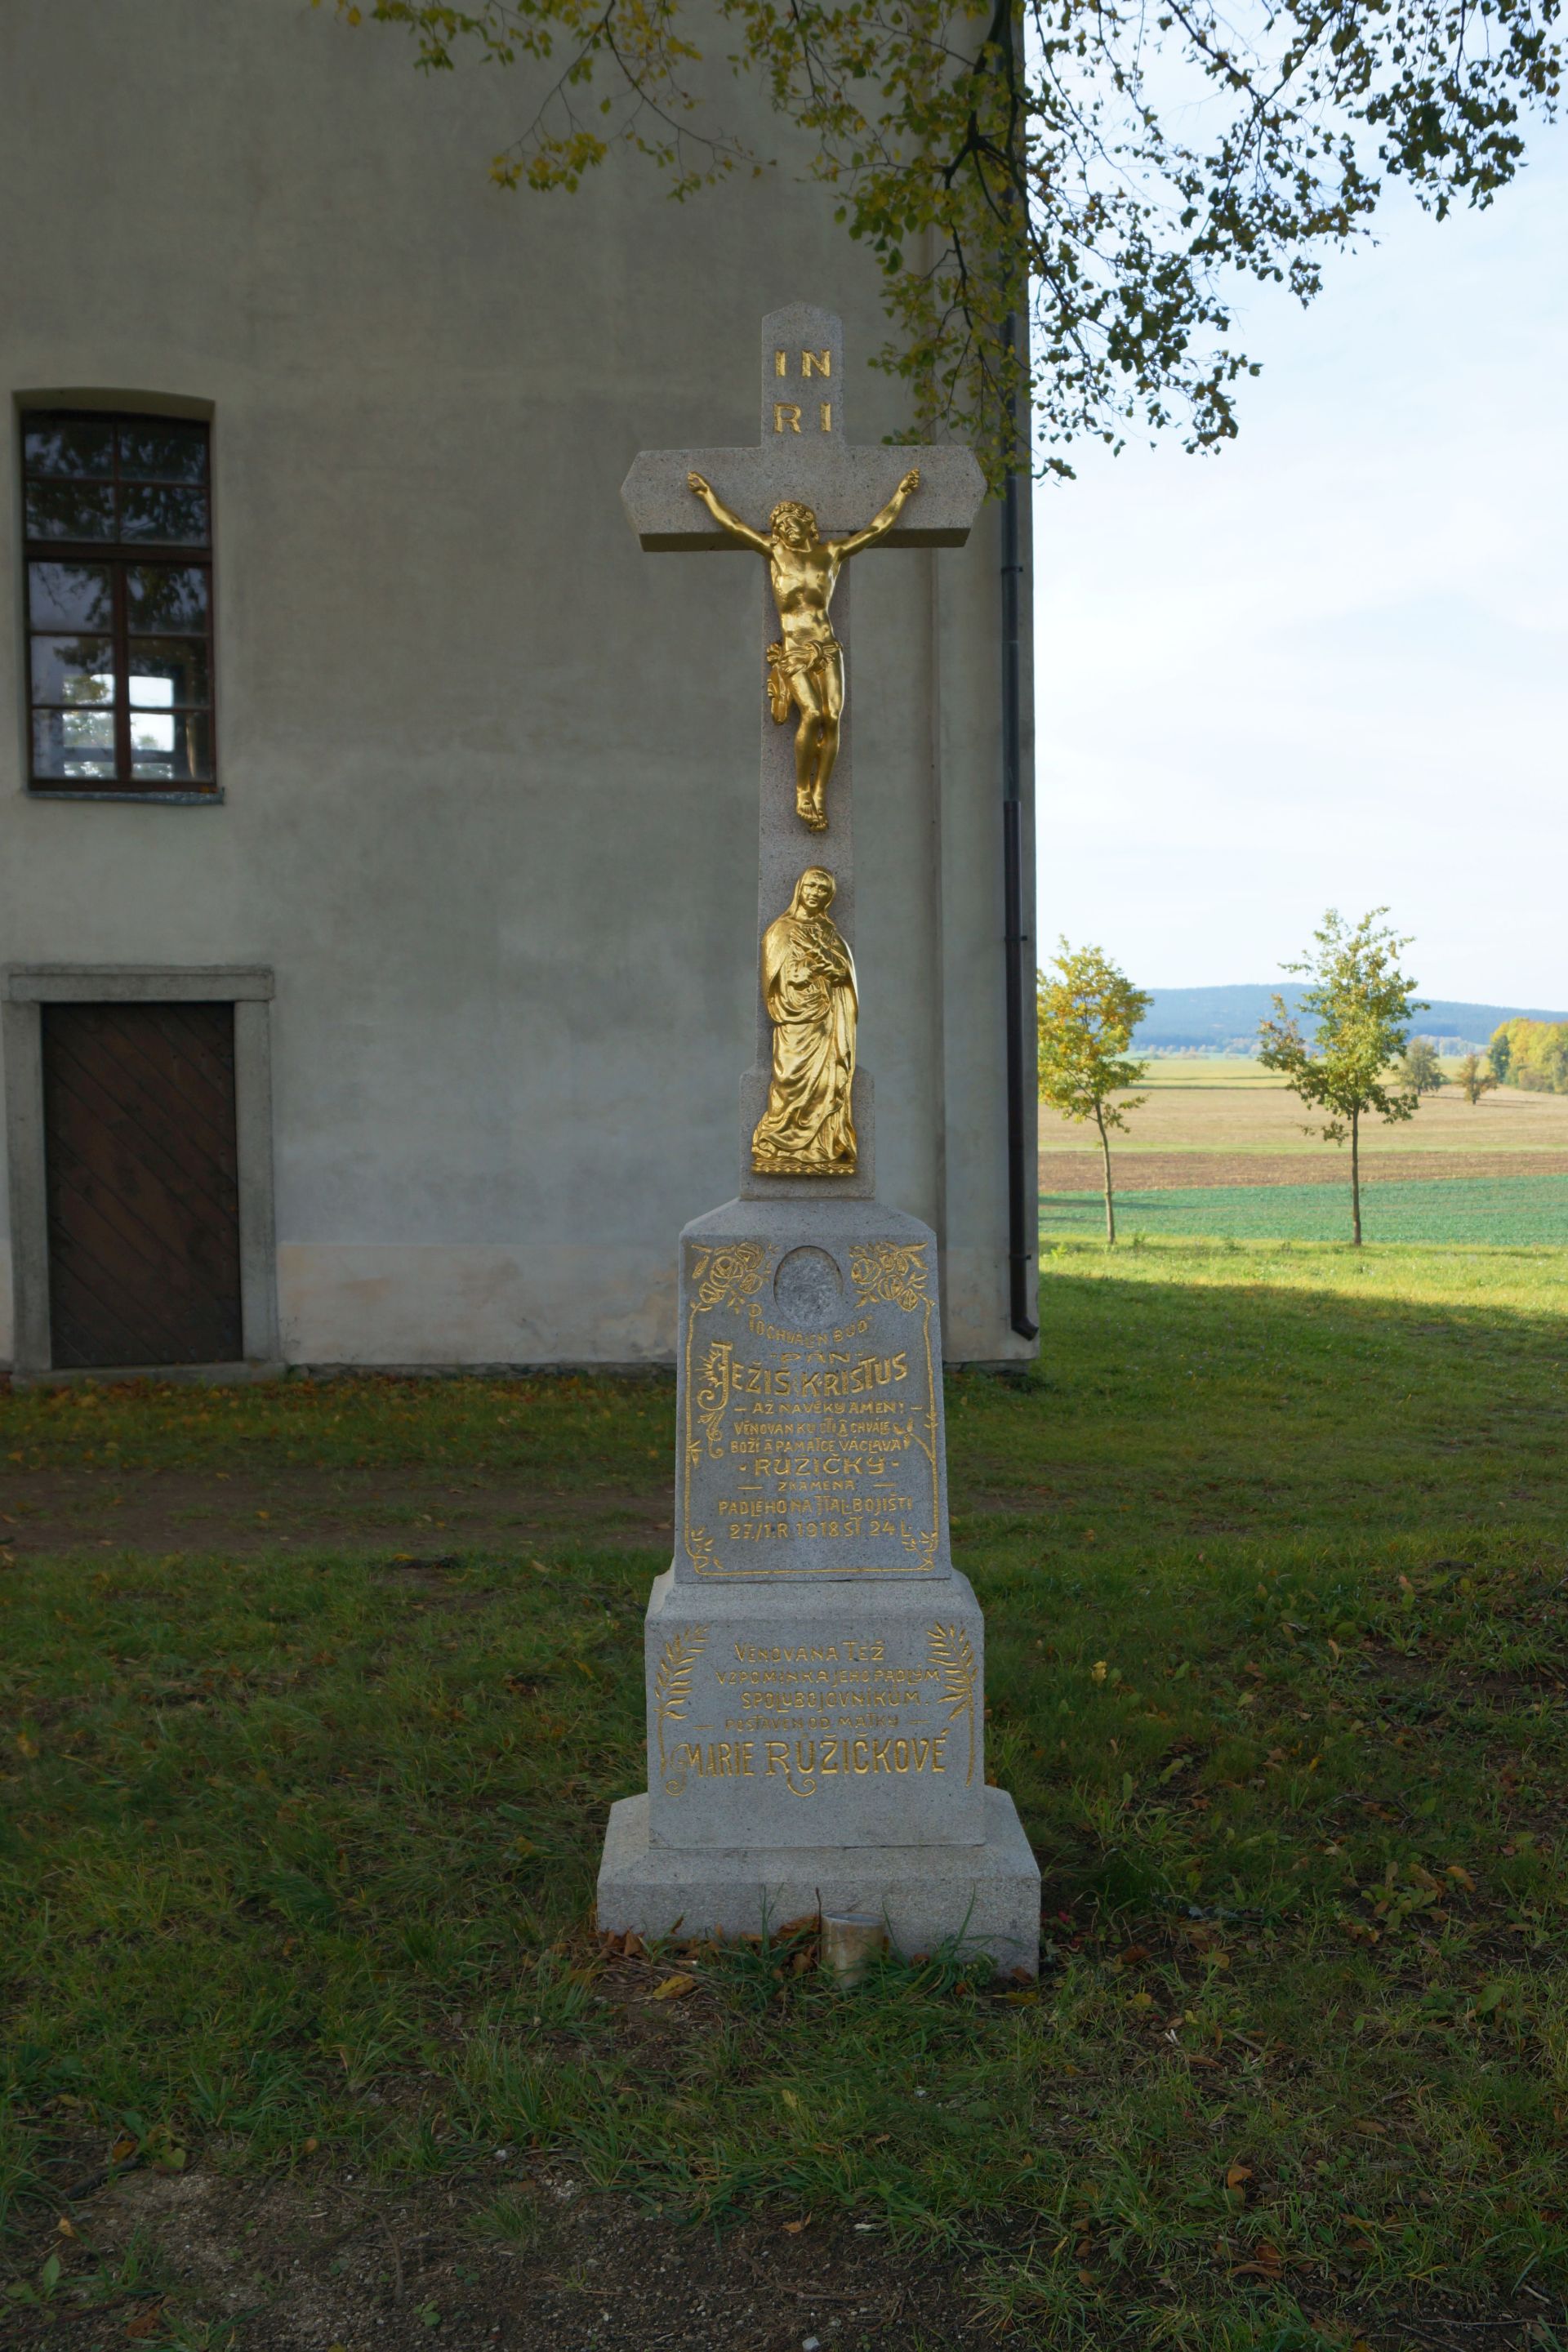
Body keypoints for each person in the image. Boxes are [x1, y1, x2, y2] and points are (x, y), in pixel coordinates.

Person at [687, 468, 920, 831]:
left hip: (827, 647)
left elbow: (876, 529)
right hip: (794, 649)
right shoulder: (776, 553)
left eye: (790, 523)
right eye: (779, 527)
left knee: (832, 717)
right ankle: (801, 791)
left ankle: (821, 792)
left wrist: (902, 494)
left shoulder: (832, 553)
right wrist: (706, 495)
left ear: (807, 524)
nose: (785, 530)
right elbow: (734, 525)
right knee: (811, 713)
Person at [751, 866, 858, 1176]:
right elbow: (776, 983)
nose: (815, 893)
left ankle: (821, 1147)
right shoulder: (780, 931)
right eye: (811, 886)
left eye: (823, 890)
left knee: (826, 1083)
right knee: (788, 1080)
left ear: (829, 897)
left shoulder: (830, 933)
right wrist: (799, 976)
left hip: (828, 1023)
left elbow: (844, 974)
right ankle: (777, 1142)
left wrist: (823, 957)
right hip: (795, 1021)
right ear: (800, 889)